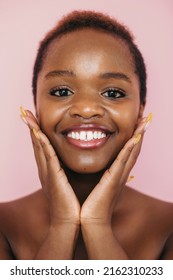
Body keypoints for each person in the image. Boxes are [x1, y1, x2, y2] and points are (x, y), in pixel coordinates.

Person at [0, 10, 173, 260]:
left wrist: (97, 224)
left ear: (140, 110)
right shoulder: (4, 225)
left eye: (113, 93)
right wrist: (62, 224)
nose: (86, 109)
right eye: (61, 91)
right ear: (35, 106)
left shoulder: (167, 227)